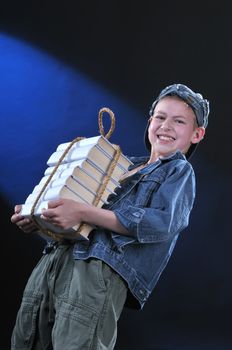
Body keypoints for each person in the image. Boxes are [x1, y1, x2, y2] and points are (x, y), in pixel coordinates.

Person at [11, 83, 209, 350]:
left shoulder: (178, 172)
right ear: (150, 122)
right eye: (160, 117)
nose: (166, 126)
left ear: (197, 134)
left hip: (94, 274)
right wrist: (40, 220)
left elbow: (160, 223)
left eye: (179, 121)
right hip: (55, 262)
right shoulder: (122, 166)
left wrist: (81, 211)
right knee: (27, 340)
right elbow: (79, 219)